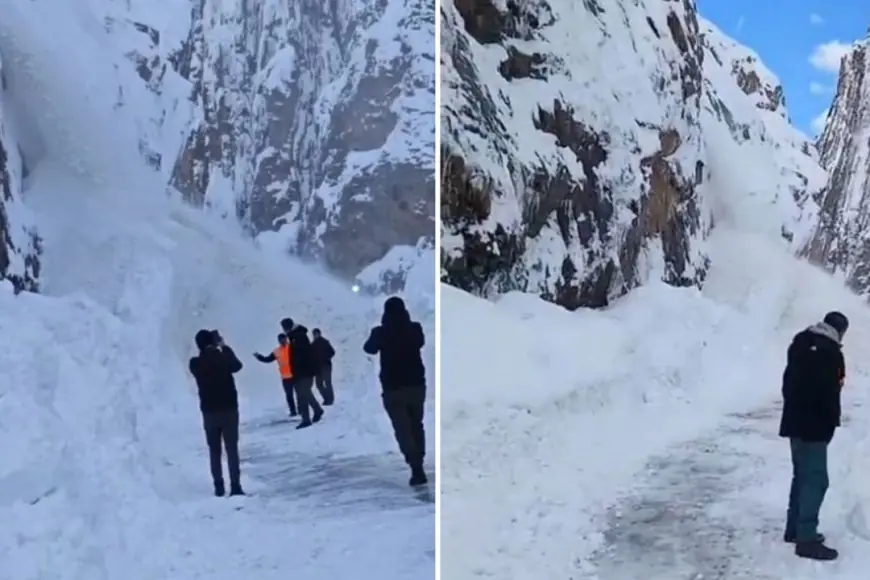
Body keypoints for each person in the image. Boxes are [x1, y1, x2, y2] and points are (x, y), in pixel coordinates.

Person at [778, 311, 848, 561]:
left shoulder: (800, 342)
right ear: (840, 330)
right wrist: (829, 423)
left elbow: (788, 384)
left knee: (801, 475)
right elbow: (828, 392)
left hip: (794, 422)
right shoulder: (830, 352)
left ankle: (794, 529)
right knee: (816, 480)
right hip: (814, 427)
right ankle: (806, 539)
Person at [363, 296, 428, 486]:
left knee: (402, 428)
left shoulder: (380, 332)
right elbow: (420, 342)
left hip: (393, 388)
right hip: (417, 386)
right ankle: (419, 460)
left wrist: (378, 334)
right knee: (416, 424)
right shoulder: (415, 328)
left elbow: (369, 348)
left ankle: (415, 466)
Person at [189, 328, 245, 497]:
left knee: (214, 451)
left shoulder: (195, 363)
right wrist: (224, 346)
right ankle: (235, 486)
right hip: (229, 409)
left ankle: (218, 486)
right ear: (213, 342)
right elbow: (237, 366)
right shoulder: (223, 357)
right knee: (232, 448)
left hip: (209, 412)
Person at [281, 318, 324, 429]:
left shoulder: (298, 337)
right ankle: (317, 410)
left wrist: (296, 370)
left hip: (304, 371)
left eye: (284, 328)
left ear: (288, 327)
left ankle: (306, 419)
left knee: (302, 394)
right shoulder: (295, 336)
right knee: (305, 393)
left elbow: (300, 356)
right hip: (303, 371)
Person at [253, 333, 298, 417]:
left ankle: (301, 409)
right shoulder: (277, 351)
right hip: (285, 377)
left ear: (286, 339)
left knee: (299, 393)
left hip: (295, 375)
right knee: (289, 395)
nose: (282, 341)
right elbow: (267, 359)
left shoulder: (292, 347)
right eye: (281, 340)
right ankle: (293, 411)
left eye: (284, 339)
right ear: (279, 341)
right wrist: (259, 356)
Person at [311, 328, 336, 405]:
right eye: (314, 334)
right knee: (319, 384)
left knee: (327, 383)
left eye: (316, 334)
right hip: (319, 367)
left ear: (319, 334)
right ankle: (327, 398)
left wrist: (326, 358)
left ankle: (330, 399)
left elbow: (332, 352)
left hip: (325, 366)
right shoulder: (313, 345)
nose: (315, 335)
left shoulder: (324, 342)